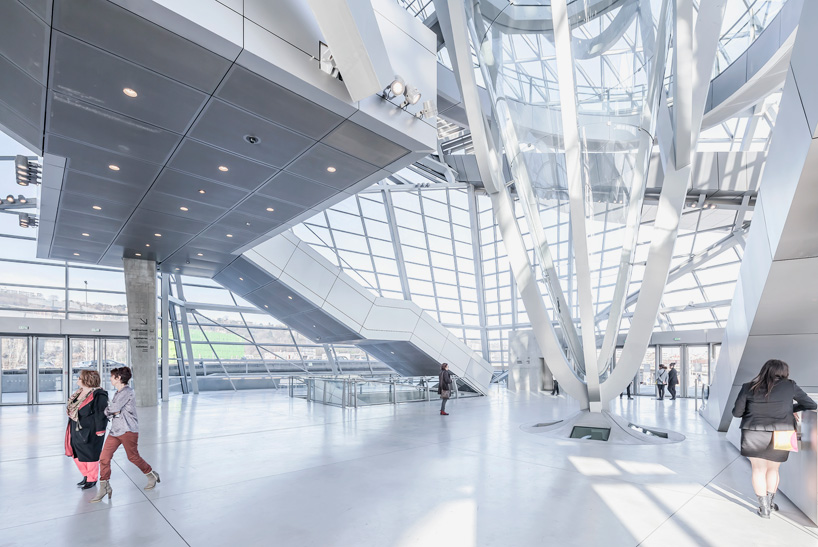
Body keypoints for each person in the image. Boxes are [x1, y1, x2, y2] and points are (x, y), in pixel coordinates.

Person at [732, 359, 816, 518]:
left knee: (758, 470)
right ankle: (770, 503)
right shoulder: (790, 386)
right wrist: (790, 409)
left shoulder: (748, 387)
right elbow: (811, 405)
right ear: (784, 373)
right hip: (783, 432)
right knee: (774, 469)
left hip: (753, 432)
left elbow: (737, 413)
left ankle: (764, 509)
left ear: (764, 370)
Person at [90, 366, 160, 503]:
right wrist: (113, 411)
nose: (110, 378)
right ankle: (105, 486)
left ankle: (151, 474)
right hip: (115, 431)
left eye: (112, 376)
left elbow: (113, 409)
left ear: (119, 378)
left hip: (128, 430)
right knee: (104, 458)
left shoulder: (127, 392)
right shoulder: (118, 392)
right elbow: (114, 410)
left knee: (133, 457)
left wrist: (111, 411)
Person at [65, 370, 108, 490]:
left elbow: (101, 413)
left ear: (87, 380)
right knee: (76, 452)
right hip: (76, 426)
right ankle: (86, 475)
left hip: (91, 429)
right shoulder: (79, 393)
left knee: (90, 454)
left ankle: (92, 479)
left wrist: (100, 430)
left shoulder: (99, 394)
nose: (77, 379)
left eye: (80, 377)